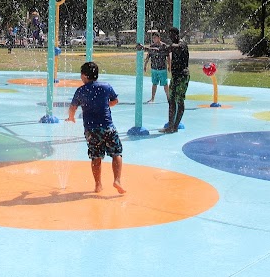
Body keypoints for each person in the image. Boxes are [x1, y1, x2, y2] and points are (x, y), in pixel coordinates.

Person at [65, 61, 125, 194]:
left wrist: (71, 117)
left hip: (91, 130)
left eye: (81, 74)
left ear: (85, 76)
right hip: (108, 127)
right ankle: (117, 180)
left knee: (96, 157)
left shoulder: (81, 90)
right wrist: (105, 105)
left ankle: (98, 185)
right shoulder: (106, 87)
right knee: (116, 153)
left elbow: (73, 107)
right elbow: (115, 101)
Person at [138, 26, 190, 133]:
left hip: (182, 76)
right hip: (176, 76)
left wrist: (145, 48)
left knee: (179, 100)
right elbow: (159, 50)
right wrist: (144, 49)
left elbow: (166, 49)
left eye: (171, 35)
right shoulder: (173, 45)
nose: (170, 37)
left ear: (176, 35)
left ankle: (175, 126)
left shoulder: (181, 44)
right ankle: (170, 126)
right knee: (171, 100)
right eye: (169, 35)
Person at [144, 31, 170, 103]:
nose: (153, 39)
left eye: (155, 38)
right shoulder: (152, 46)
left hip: (162, 69)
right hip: (154, 68)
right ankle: (152, 98)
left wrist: (169, 66)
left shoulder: (164, 46)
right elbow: (148, 56)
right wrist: (145, 65)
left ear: (159, 38)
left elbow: (168, 57)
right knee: (154, 83)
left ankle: (168, 98)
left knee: (165, 84)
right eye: (153, 38)